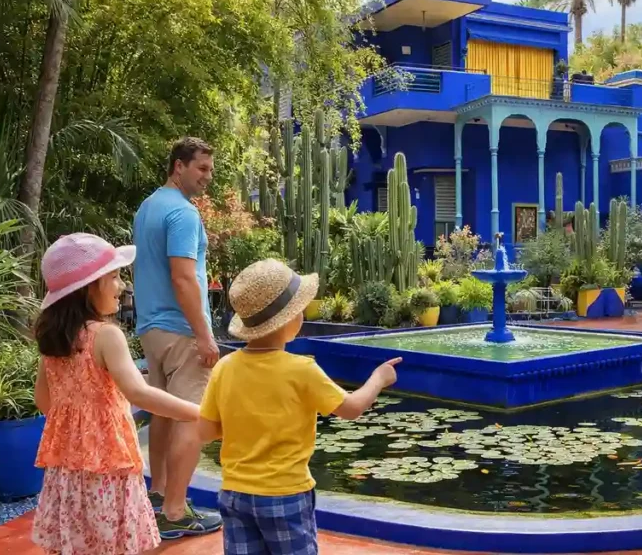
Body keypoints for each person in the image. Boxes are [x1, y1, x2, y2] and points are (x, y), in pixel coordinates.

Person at [198, 259, 400, 555]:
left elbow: (205, 430)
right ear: (291, 320)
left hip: (235, 493)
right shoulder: (302, 370)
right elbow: (351, 408)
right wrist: (378, 378)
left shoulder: (225, 368)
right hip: (286, 495)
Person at [31, 233, 201, 555]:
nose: (121, 285)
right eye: (113, 277)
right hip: (108, 465)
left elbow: (44, 402)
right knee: (111, 542)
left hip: (67, 470)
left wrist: (76, 421)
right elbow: (139, 393)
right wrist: (198, 413)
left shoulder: (53, 341)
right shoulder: (106, 335)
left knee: (78, 542)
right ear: (88, 287)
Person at [133, 137, 223, 538]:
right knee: (193, 415)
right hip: (182, 330)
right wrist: (204, 335)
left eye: (210, 169)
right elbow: (183, 276)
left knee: (164, 412)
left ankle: (157, 494)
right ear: (178, 166)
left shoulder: (148, 207)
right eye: (201, 168)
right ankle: (174, 512)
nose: (208, 177)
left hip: (151, 328)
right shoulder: (183, 214)